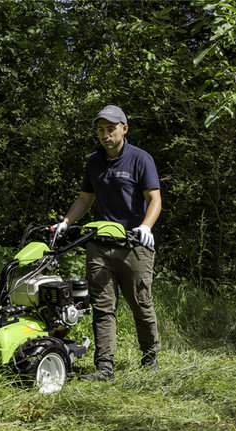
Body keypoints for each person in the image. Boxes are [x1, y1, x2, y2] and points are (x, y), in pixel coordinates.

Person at [53, 105, 162, 381]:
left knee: (141, 303)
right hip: (99, 244)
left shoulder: (140, 159)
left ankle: (150, 356)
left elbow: (155, 199)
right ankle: (104, 367)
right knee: (103, 308)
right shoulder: (93, 162)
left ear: (124, 129)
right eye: (100, 130)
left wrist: (146, 227)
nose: (105, 135)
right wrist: (65, 223)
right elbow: (85, 199)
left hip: (134, 244)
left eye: (110, 129)